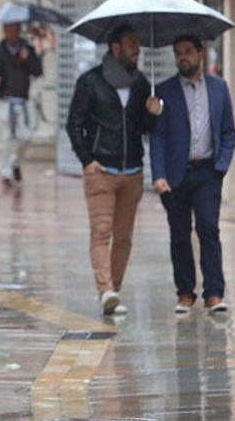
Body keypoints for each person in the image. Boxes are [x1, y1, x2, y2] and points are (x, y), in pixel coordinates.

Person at [66, 24, 162, 315]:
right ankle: (105, 288)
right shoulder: (90, 82)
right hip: (101, 171)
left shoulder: (142, 84)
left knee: (123, 237)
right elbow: (74, 124)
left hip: (132, 171)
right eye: (132, 44)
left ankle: (114, 292)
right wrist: (87, 161)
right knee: (101, 232)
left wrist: (153, 114)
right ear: (116, 48)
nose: (137, 51)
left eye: (139, 45)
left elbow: (144, 129)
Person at [150, 35, 235, 314]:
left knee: (208, 229)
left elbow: (228, 131)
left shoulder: (219, 88)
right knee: (179, 234)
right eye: (178, 53)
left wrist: (221, 166)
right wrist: (158, 173)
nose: (182, 58)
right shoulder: (164, 91)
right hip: (175, 175)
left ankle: (214, 293)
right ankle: (185, 293)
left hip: (207, 172)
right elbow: (158, 137)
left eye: (187, 52)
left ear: (200, 53)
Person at [0, 22, 43, 187]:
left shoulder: (27, 49)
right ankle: (5, 173)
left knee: (26, 136)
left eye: (15, 29)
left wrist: (27, 59)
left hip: (22, 100)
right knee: (5, 139)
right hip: (4, 99)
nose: (12, 33)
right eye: (9, 29)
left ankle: (15, 162)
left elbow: (38, 71)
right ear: (5, 31)